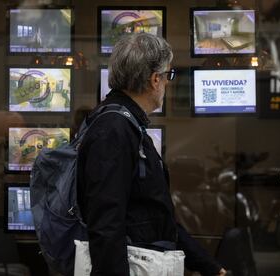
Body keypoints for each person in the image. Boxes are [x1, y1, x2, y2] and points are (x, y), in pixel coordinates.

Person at [76, 33, 227, 276]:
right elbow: (106, 225)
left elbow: (157, 218)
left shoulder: (127, 124)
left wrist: (209, 266)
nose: (168, 83)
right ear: (155, 79)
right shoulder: (114, 129)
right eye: (168, 76)